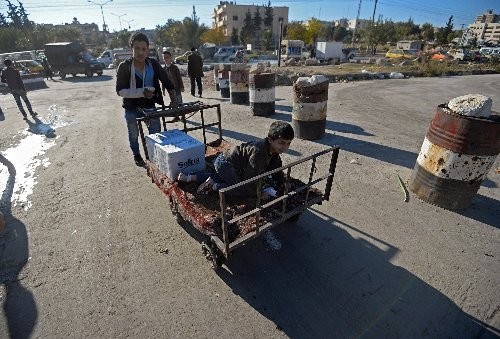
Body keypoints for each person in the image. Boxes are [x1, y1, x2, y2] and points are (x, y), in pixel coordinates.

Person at [178, 121, 294, 197]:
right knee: (243, 189)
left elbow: (276, 168)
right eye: (281, 143)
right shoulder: (259, 153)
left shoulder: (273, 150)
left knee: (224, 177)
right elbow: (250, 179)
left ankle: (190, 177)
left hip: (228, 161)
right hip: (226, 164)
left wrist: (282, 182)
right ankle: (217, 186)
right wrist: (260, 193)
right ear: (270, 140)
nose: (285, 147)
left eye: (288, 143)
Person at [116, 31, 178, 167]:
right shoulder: (124, 67)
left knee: (156, 134)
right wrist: (141, 93)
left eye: (144, 49)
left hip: (150, 106)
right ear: (131, 49)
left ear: (147, 50)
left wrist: (174, 101)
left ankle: (154, 156)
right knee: (133, 134)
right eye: (137, 48)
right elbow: (120, 91)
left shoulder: (153, 64)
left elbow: (167, 82)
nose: (140, 52)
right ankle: (137, 155)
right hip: (131, 108)